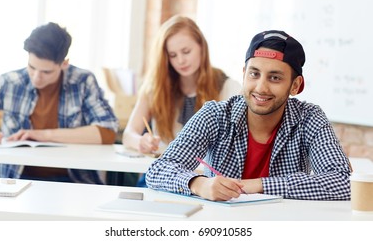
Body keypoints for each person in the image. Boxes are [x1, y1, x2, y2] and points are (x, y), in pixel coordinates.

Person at [146, 30, 351, 201]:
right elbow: (158, 170)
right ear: (244, 74)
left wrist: (259, 185)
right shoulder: (215, 115)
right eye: (254, 74)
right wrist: (200, 184)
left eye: (275, 77)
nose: (261, 88)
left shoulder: (309, 118)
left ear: (295, 85)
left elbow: (343, 182)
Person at [0, 22, 119, 184]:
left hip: (74, 181)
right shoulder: (9, 81)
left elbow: (107, 132)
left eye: (46, 72)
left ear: (64, 63)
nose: (36, 77)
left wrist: (44, 135)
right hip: (17, 180)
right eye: (32, 67)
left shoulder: (83, 81)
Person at [123, 15, 241, 154]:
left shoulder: (228, 87)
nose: (180, 60)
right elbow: (128, 135)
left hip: (205, 174)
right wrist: (140, 142)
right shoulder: (155, 88)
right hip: (163, 171)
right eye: (173, 55)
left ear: (202, 47)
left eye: (186, 52)